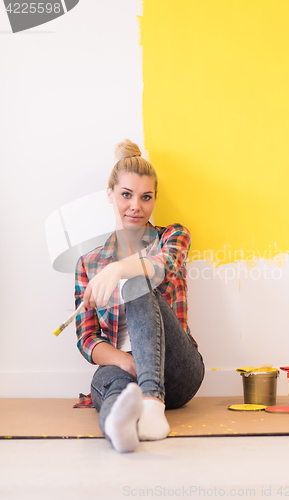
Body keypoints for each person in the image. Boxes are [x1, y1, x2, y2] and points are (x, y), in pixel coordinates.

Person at [75, 139, 205, 453]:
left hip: (177, 371)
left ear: (154, 200)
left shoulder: (173, 236)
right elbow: (87, 338)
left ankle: (152, 406)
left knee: (136, 282)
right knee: (109, 386)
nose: (136, 206)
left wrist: (120, 268)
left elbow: (165, 265)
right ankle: (117, 429)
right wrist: (125, 361)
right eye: (126, 195)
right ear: (110, 195)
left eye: (146, 197)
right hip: (122, 370)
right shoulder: (88, 264)